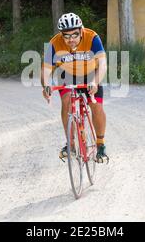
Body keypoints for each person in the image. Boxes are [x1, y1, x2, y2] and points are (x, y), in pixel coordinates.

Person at [41, 12, 109, 163]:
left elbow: (103, 64)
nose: (71, 39)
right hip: (67, 75)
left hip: (91, 74)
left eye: (75, 34)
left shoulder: (92, 37)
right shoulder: (54, 43)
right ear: (61, 34)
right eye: (66, 36)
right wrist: (46, 86)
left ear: (81, 30)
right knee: (66, 101)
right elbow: (45, 69)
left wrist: (95, 82)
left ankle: (100, 144)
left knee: (96, 105)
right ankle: (70, 144)